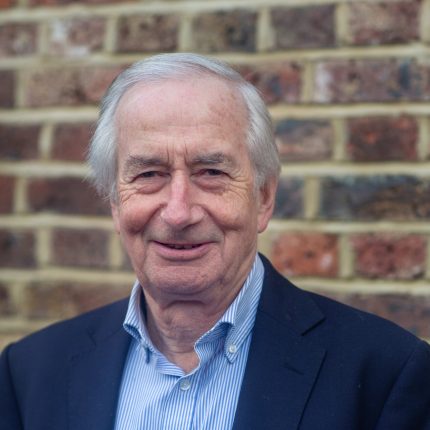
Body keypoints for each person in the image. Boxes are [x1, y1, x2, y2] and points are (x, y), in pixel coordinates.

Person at [1, 53, 430, 430]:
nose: (178, 212)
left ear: (264, 197)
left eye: (211, 172)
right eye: (149, 174)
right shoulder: (29, 374)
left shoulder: (386, 375)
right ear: (115, 202)